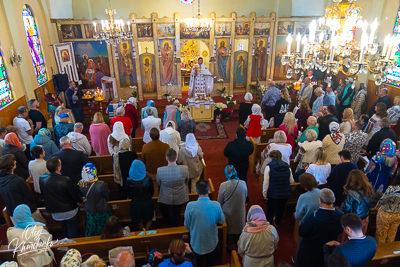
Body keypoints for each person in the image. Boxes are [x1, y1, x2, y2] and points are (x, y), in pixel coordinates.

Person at [295, 188, 343, 267]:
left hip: (310, 251)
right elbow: (340, 231)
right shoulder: (340, 215)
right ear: (334, 199)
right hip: (327, 250)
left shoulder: (314, 217)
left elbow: (301, 231)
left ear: (320, 200)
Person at [184, 179, 225, 267]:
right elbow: (222, 221)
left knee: (197, 263)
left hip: (196, 242)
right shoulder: (216, 205)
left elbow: (187, 225)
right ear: (209, 190)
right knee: (211, 263)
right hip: (212, 242)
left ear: (196, 191)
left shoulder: (190, 206)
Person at [40, 156, 82, 238]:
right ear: (58, 168)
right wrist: (80, 201)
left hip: (55, 211)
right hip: (69, 210)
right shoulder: (65, 180)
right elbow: (74, 195)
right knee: (72, 228)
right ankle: (72, 245)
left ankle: (65, 241)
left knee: (65, 226)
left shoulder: (42, 179)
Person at [0, 154, 45, 225]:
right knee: (40, 229)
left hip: (12, 211)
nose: (16, 162)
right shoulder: (18, 180)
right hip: (27, 211)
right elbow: (28, 196)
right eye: (14, 161)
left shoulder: (2, 180)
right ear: (11, 166)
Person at [218, 165, 247, 250]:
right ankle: (238, 246)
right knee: (238, 229)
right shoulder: (243, 183)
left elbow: (220, 202)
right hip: (240, 212)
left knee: (230, 230)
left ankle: (230, 247)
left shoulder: (223, 185)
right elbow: (245, 197)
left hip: (228, 213)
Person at [157, 148, 189, 227]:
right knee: (177, 212)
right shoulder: (184, 168)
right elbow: (186, 181)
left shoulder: (160, 170)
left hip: (165, 197)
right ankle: (174, 226)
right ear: (176, 156)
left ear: (166, 158)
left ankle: (170, 224)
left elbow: (158, 183)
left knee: (164, 209)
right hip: (180, 196)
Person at [78, 163, 111, 237]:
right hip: (102, 210)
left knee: (92, 229)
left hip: (89, 210)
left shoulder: (81, 184)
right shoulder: (101, 184)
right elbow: (107, 197)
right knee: (104, 229)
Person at [340, 170, 374, 238]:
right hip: (365, 218)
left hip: (354, 219)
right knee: (361, 236)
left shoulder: (351, 192)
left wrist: (340, 207)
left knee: (350, 238)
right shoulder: (369, 190)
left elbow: (346, 208)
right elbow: (370, 205)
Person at [263, 150, 293, 226]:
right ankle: (277, 222)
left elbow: (266, 183)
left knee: (271, 209)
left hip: (273, 192)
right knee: (281, 208)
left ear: (271, 157)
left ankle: (269, 224)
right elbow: (291, 181)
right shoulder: (287, 166)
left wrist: (265, 194)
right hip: (285, 192)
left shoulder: (269, 166)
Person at [126, 160, 154, 231]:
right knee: (149, 218)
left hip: (136, 203)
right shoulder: (148, 178)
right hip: (147, 202)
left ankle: (142, 235)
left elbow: (127, 193)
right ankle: (146, 234)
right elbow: (152, 191)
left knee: (139, 220)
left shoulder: (128, 180)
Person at [143, 128, 170, 196]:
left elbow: (143, 160)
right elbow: (168, 159)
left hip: (151, 172)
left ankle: (156, 204)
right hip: (164, 172)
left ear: (150, 136)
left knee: (155, 190)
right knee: (165, 189)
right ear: (159, 135)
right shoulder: (166, 146)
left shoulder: (145, 147)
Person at [375, 173, 400, 243]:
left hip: (386, 213)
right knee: (392, 234)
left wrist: (377, 205)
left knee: (381, 234)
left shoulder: (392, 188)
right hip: (398, 214)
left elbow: (383, 199)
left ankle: (381, 251)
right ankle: (389, 250)